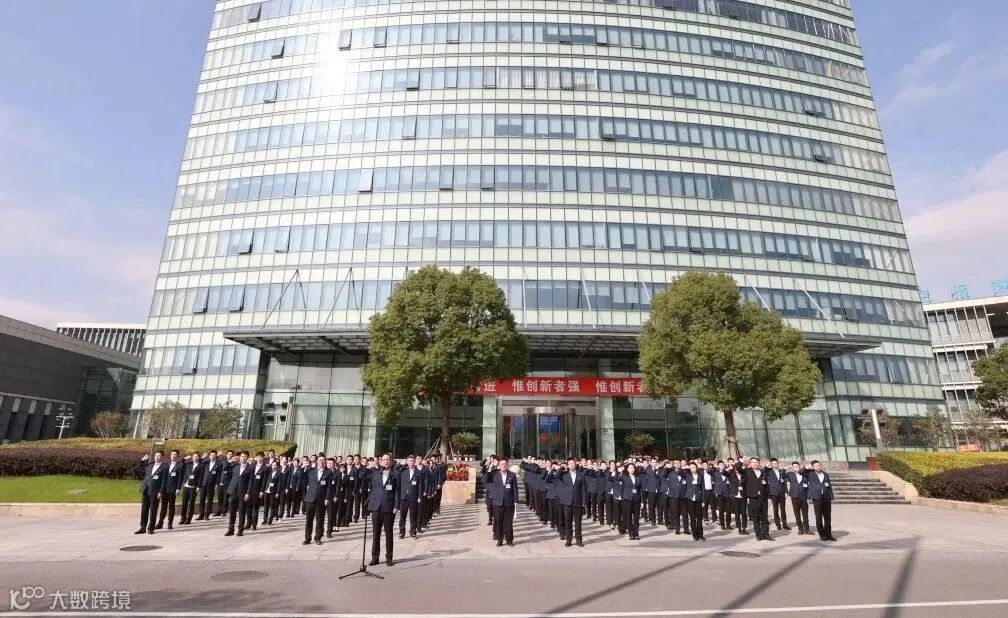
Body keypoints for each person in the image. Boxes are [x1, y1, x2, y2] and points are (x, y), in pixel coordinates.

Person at [371, 453, 398, 566]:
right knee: (376, 533)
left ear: (391, 461)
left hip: (388, 508)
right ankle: (375, 557)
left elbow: (398, 491)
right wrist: (370, 466)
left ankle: (389, 558)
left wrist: (396, 506)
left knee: (388, 533)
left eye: (388, 460)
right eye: (384, 460)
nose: (386, 461)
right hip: (376, 507)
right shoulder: (376, 473)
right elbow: (362, 476)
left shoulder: (395, 474)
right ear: (380, 461)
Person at [554, 457, 587, 547]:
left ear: (575, 464)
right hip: (567, 502)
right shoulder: (564, 475)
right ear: (568, 465)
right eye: (570, 463)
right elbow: (556, 476)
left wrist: (584, 503)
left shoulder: (581, 475)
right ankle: (569, 540)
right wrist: (562, 467)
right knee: (568, 522)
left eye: (573, 463)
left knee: (578, 522)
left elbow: (584, 489)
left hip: (577, 502)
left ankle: (579, 540)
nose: (572, 465)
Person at [486, 457, 518, 546]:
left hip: (509, 502)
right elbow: (486, 479)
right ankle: (499, 540)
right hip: (498, 502)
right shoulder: (494, 473)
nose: (503, 466)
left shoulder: (512, 475)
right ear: (499, 465)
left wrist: (515, 501)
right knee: (499, 522)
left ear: (507, 465)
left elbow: (515, 489)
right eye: (502, 464)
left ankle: (509, 540)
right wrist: (490, 468)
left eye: (505, 464)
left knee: (508, 523)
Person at [301, 454, 331, 545]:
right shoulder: (311, 471)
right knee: (309, 519)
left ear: (325, 462)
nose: (321, 462)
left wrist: (327, 498)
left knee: (320, 519)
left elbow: (329, 487)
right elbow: (302, 478)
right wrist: (302, 468)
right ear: (317, 461)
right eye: (320, 460)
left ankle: (318, 537)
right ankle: (307, 538)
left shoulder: (328, 472)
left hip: (321, 499)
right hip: (310, 498)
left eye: (323, 460)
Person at [742, 457, 773, 541]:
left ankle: (766, 534)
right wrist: (742, 462)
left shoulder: (763, 472)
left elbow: (767, 486)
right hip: (754, 497)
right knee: (756, 517)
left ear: (759, 463)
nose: (755, 463)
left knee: (764, 517)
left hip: (763, 498)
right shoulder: (747, 472)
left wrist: (769, 497)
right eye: (753, 462)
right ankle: (758, 534)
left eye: (756, 462)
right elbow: (739, 468)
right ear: (750, 464)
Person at [136, 451, 165, 535]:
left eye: (159, 456)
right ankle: (142, 528)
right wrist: (142, 461)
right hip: (146, 490)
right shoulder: (150, 465)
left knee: (153, 510)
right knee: (144, 510)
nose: (157, 457)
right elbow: (140, 469)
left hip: (155, 491)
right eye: (156, 456)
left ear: (162, 457)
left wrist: (160, 491)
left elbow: (164, 481)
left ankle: (151, 528)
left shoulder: (164, 467)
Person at [225, 452, 254, 537]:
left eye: (245, 456)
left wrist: (248, 493)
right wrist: (230, 461)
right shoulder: (235, 466)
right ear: (239, 457)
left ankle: (240, 530)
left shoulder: (250, 468)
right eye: (242, 456)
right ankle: (231, 530)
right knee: (232, 512)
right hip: (233, 491)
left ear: (247, 458)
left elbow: (251, 481)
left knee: (241, 512)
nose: (243, 458)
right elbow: (225, 468)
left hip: (243, 493)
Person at [806, 460, 837, 542]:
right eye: (816, 466)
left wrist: (832, 497)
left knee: (827, 517)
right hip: (817, 498)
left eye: (819, 465)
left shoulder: (825, 474)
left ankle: (829, 534)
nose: (818, 467)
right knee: (818, 517)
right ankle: (822, 535)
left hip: (826, 498)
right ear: (813, 467)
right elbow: (801, 472)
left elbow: (829, 486)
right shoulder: (810, 474)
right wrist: (807, 467)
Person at [156, 449, 183, 530]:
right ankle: (160, 523)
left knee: (171, 506)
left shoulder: (180, 465)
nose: (173, 456)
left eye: (175, 454)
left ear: (177, 456)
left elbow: (180, 478)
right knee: (163, 506)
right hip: (164, 489)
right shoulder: (166, 465)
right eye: (172, 454)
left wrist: (178, 488)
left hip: (173, 489)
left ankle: (170, 523)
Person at [785, 461, 811, 535]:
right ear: (792, 468)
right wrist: (786, 468)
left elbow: (808, 486)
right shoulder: (790, 474)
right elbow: (781, 474)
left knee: (805, 514)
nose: (796, 468)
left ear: (799, 467)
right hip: (794, 497)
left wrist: (809, 497)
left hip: (804, 497)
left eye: (797, 466)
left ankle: (807, 529)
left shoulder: (804, 474)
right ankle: (800, 529)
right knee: (797, 514)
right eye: (794, 467)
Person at [766, 458, 790, 530]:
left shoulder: (781, 471)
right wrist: (767, 466)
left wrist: (786, 492)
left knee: (783, 510)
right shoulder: (769, 472)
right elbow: (763, 472)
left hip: (782, 493)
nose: (775, 464)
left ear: (778, 463)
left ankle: (785, 524)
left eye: (776, 463)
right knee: (775, 510)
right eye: (773, 463)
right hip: (774, 493)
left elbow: (785, 482)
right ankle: (778, 525)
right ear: (771, 464)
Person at [179, 452, 203, 525]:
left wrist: (199, 486)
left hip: (193, 486)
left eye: (196, 456)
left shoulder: (201, 466)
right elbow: (181, 466)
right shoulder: (188, 464)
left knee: (191, 503)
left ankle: (188, 519)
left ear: (199, 458)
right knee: (184, 503)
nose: (195, 458)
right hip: (186, 486)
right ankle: (182, 518)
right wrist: (184, 459)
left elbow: (201, 476)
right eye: (194, 456)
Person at [620, 463, 642, 540]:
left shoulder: (638, 477)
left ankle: (636, 532)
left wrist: (642, 501)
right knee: (628, 517)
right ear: (627, 469)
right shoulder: (624, 477)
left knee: (636, 517)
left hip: (636, 499)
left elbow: (640, 489)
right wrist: (619, 472)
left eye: (633, 467)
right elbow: (614, 479)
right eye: (630, 467)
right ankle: (631, 533)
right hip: (627, 499)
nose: (632, 469)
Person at [684, 462, 705, 541]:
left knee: (699, 517)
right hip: (690, 498)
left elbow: (703, 488)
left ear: (696, 467)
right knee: (692, 518)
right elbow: (679, 472)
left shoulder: (700, 475)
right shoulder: (687, 475)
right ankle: (695, 534)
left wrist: (703, 500)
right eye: (691, 467)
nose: (693, 469)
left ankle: (701, 535)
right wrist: (685, 467)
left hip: (699, 498)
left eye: (694, 467)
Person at [198, 450, 220, 520]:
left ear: (216, 456)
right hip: (203, 484)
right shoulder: (205, 463)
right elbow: (199, 463)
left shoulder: (219, 464)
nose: (212, 456)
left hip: (212, 485)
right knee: (202, 500)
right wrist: (202, 457)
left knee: (209, 500)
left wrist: (217, 484)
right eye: (211, 455)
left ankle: (207, 515)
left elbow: (219, 475)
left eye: (214, 455)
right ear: (209, 456)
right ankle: (201, 515)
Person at [262, 459, 283, 525]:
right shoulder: (268, 472)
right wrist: (262, 490)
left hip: (273, 492)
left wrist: (277, 492)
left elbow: (279, 483)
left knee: (272, 506)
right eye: (273, 465)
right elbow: (264, 481)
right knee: (266, 506)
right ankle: (265, 520)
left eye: (275, 465)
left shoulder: (279, 473)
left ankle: (270, 520)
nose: (274, 466)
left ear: (277, 466)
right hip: (266, 491)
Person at [214, 451, 235, 517]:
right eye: (228, 454)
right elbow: (215, 462)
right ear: (226, 455)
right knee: (220, 498)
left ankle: (224, 512)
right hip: (220, 482)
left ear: (233, 456)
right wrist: (217, 456)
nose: (230, 455)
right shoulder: (223, 462)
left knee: (226, 498)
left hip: (227, 483)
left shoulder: (234, 464)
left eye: (231, 454)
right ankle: (218, 511)